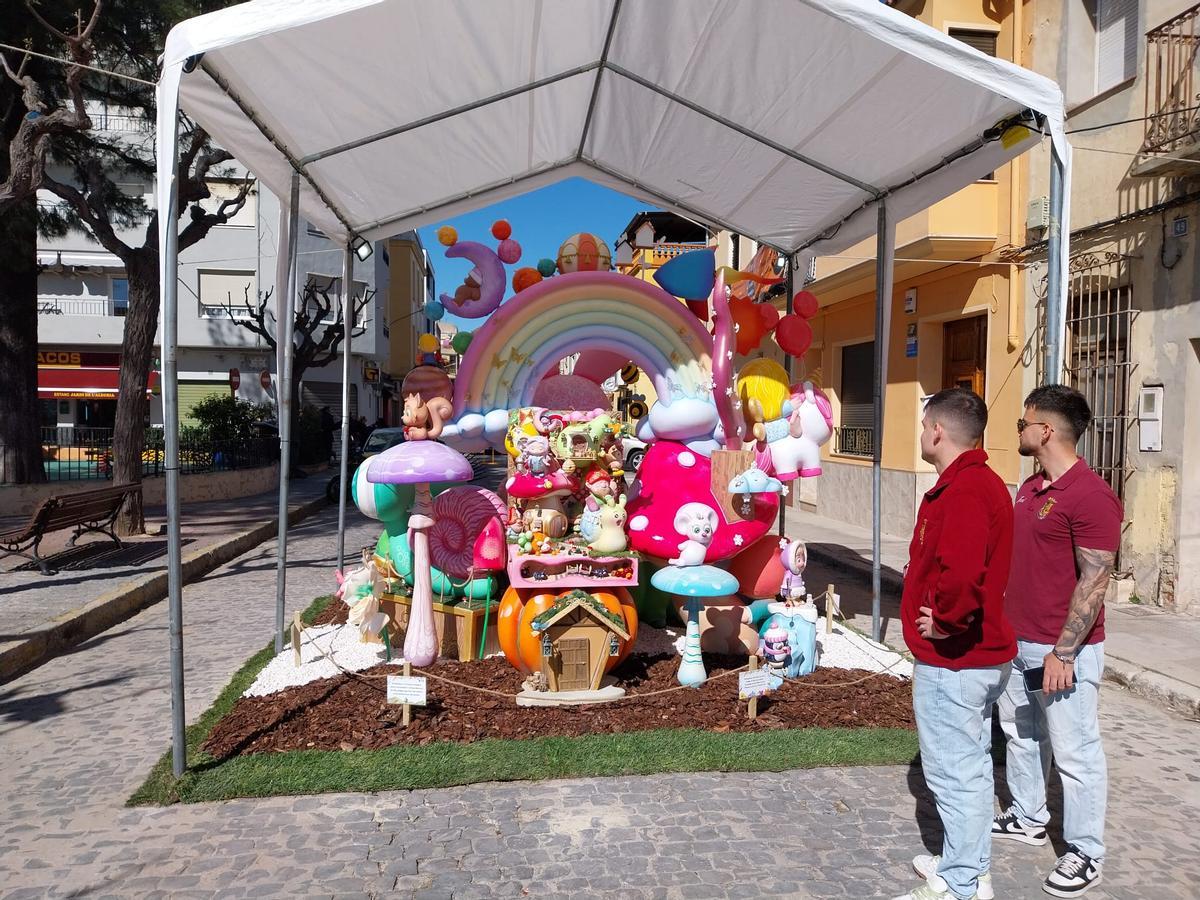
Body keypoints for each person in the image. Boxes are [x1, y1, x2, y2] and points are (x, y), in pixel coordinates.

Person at [994, 385, 1120, 898]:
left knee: (1075, 751)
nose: (1018, 431)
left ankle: (1085, 851)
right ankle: (1028, 816)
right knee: (1021, 734)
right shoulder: (1031, 487)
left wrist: (1064, 652)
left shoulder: (1091, 496)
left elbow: (1094, 582)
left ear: (1045, 430)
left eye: (1022, 423)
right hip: (1018, 640)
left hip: (1063, 650)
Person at [893, 388, 1015, 900]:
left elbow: (962, 573)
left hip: (957, 659)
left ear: (938, 431)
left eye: (924, 427)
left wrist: (945, 621)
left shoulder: (966, 489)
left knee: (953, 771)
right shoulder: (971, 484)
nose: (922, 435)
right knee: (971, 765)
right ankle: (969, 865)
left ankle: (960, 883)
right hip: (971, 658)